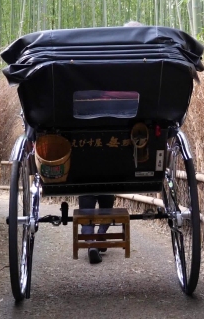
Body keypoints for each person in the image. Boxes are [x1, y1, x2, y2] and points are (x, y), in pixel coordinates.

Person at [80, 20, 143, 264]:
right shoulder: (141, 69)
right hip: (130, 141)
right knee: (108, 192)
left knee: (85, 189)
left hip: (86, 140)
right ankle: (99, 236)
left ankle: (91, 240)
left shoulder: (103, 62)